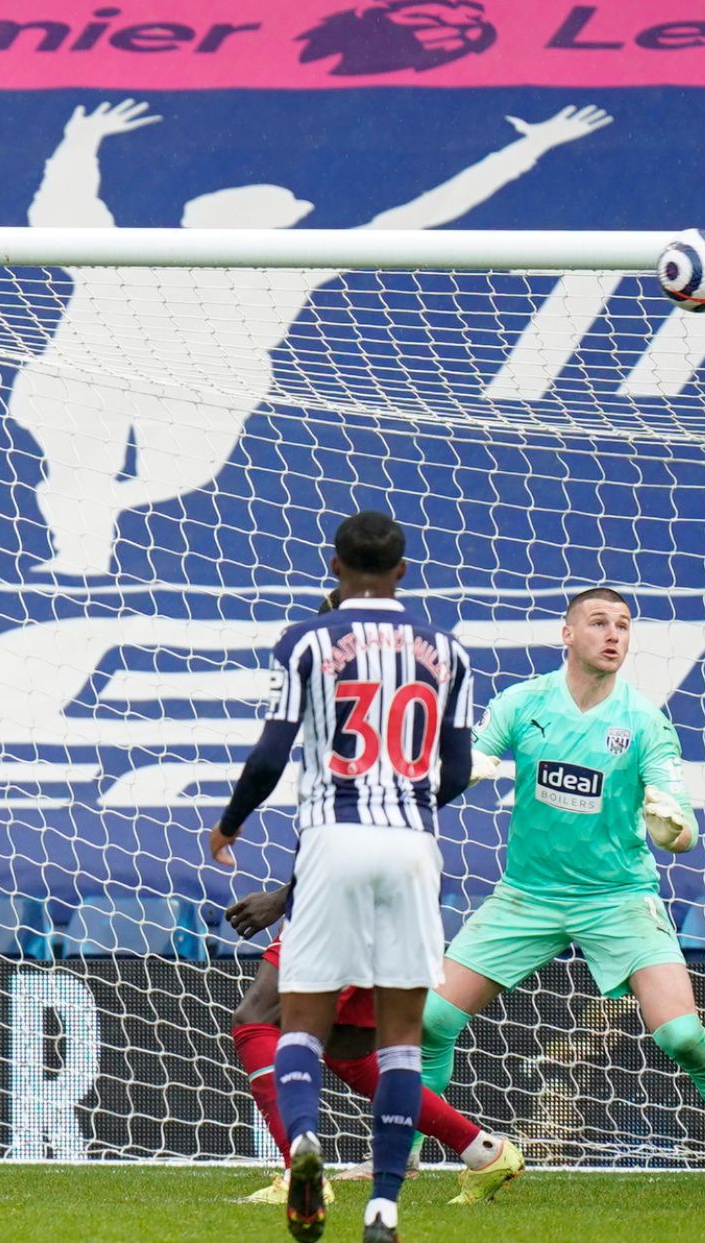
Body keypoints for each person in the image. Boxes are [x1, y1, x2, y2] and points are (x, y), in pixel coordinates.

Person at [10, 99, 611, 576]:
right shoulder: (138, 258)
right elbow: (63, 211)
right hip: (92, 375)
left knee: (168, 477)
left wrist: (526, 148)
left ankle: (95, 516)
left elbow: (421, 216)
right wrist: (77, 144)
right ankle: (80, 555)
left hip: (206, 386)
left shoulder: (291, 263)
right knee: (80, 467)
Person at [419, 587, 705, 1189]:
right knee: (428, 1021)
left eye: (624, 626)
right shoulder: (521, 703)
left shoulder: (644, 721)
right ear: (567, 633)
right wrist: (464, 766)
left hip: (618, 899)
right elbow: (468, 760)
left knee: (682, 1035)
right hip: (527, 897)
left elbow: (680, 823)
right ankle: (406, 1152)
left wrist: (672, 828)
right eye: (599, 622)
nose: (613, 635)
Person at [208, 510, 475, 1243]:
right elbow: (458, 769)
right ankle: (384, 1207)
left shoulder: (306, 641)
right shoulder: (446, 651)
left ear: (334, 567)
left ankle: (301, 1147)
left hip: (331, 838)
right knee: (399, 1043)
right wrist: (412, 801)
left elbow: (269, 756)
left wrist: (230, 826)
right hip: (412, 845)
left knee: (296, 1024)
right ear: (404, 571)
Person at [224, 883, 524, 1208]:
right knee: (348, 1052)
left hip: (342, 898)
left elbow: (343, 838)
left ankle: (300, 1177)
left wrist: (281, 899)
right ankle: (484, 1153)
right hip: (400, 901)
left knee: (257, 1019)